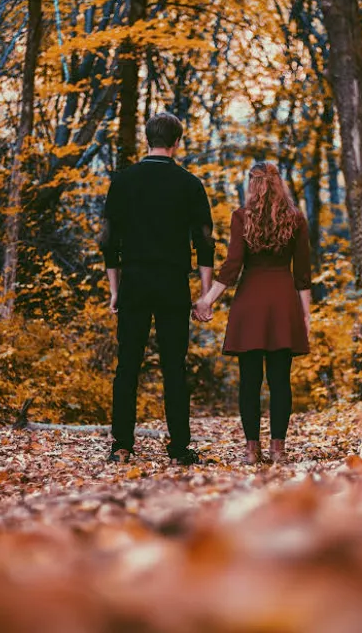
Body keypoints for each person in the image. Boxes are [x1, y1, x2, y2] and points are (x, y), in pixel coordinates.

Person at [101, 112, 214, 465]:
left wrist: (114, 289)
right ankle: (179, 447)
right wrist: (205, 295)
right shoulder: (190, 184)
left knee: (127, 365)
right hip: (172, 282)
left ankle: (122, 445)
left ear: (147, 138)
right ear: (177, 141)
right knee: (174, 367)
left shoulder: (122, 181)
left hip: (134, 279)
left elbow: (107, 241)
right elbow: (205, 242)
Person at [194, 162, 311, 464]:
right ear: (278, 185)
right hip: (283, 303)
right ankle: (278, 449)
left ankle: (251, 449)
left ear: (252, 186)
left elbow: (232, 266)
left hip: (250, 304)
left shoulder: (241, 217)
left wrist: (207, 299)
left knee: (249, 381)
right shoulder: (296, 219)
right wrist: (306, 316)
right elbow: (303, 274)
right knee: (280, 381)